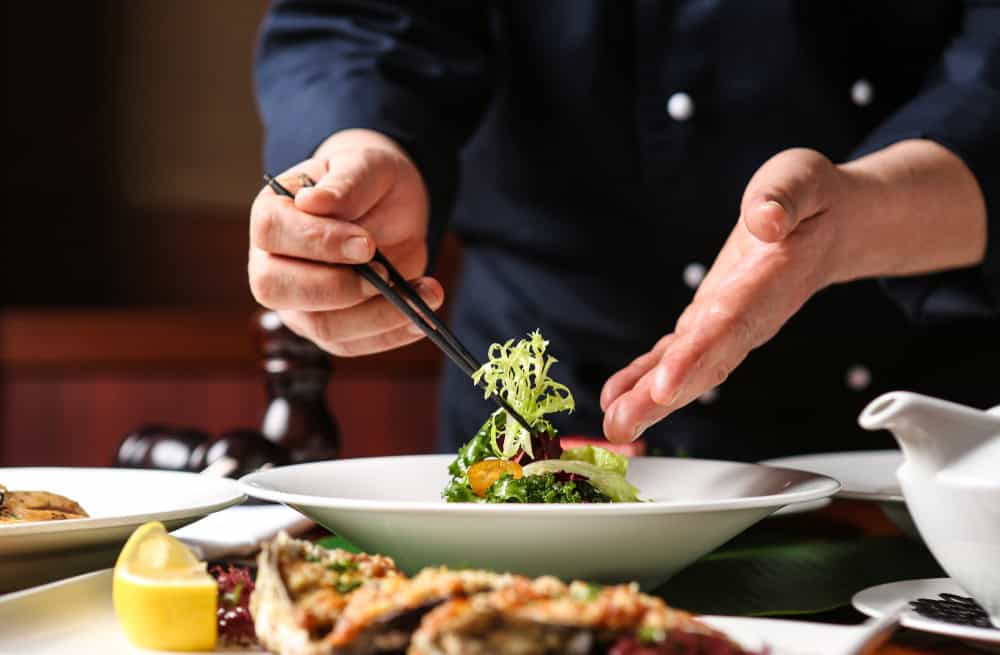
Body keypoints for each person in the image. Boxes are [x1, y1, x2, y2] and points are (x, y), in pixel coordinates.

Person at [249, 1, 999, 461]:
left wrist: (863, 213)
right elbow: (362, 19)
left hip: (919, 451)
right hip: (541, 390)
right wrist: (358, 157)